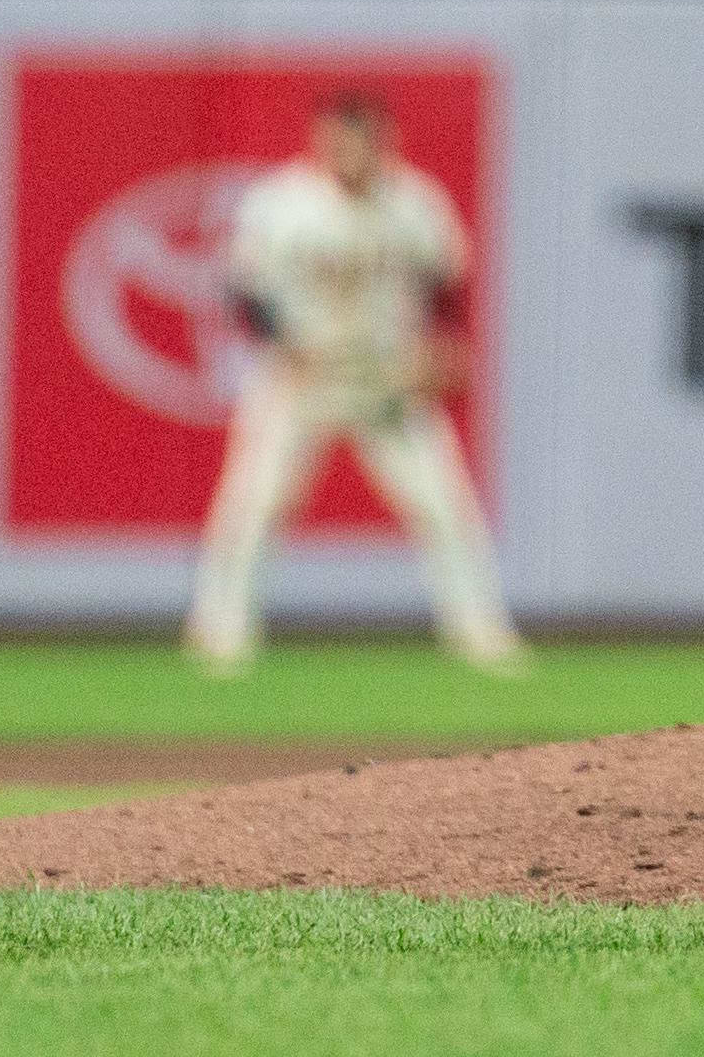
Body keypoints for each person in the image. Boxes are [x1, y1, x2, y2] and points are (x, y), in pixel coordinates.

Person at [182, 94, 527, 679]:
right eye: (339, 139)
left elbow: (447, 286)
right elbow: (244, 291)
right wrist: (285, 346)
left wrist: (445, 348)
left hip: (385, 379)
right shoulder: (284, 204)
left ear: (385, 143)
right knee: (253, 506)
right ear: (320, 142)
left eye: (363, 140)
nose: (351, 152)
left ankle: (482, 634)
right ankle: (220, 634)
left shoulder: (415, 204)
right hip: (301, 379)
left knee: (445, 505)